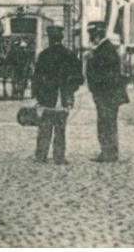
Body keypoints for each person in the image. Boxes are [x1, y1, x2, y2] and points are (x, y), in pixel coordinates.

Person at [31, 25, 84, 165]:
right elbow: (79, 78)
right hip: (63, 98)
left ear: (49, 39)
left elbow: (36, 78)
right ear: (62, 38)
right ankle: (59, 157)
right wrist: (70, 90)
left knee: (44, 127)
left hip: (46, 97)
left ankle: (41, 155)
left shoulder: (43, 55)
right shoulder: (69, 55)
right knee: (60, 129)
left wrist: (37, 95)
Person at [85, 21, 128, 161]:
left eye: (92, 35)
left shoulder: (104, 50)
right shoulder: (105, 48)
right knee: (108, 122)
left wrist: (91, 60)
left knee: (106, 123)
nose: (91, 39)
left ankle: (108, 153)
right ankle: (109, 151)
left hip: (106, 94)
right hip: (107, 94)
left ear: (97, 35)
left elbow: (104, 75)